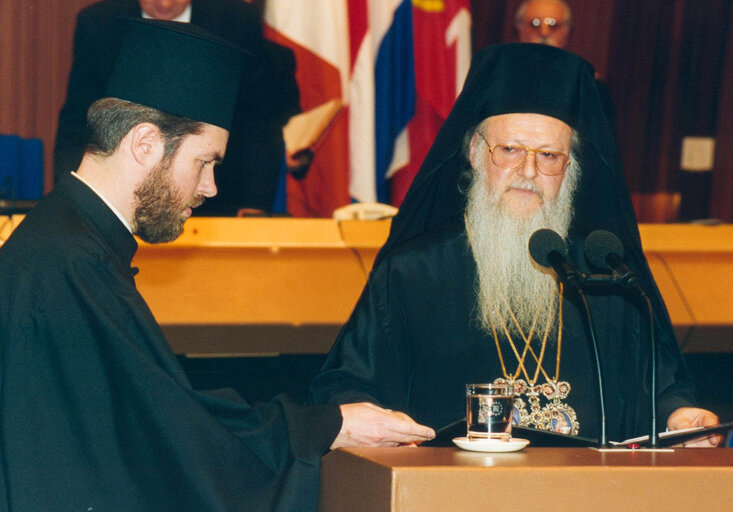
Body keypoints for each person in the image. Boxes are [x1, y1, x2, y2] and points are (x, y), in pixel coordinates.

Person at [0, 19, 433, 512]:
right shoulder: (70, 264)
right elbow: (170, 437)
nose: (210, 188)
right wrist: (331, 426)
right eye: (205, 162)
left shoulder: (68, 243)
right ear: (145, 144)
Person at [309, 43, 721, 447]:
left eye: (549, 156)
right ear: (474, 152)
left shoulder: (604, 273)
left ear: (570, 169)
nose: (528, 171)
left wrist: (679, 414)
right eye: (509, 150)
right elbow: (348, 388)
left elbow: (658, 384)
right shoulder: (413, 271)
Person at [54, 0, 299, 215]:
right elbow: (78, 121)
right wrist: (71, 200)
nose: (165, 4)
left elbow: (258, 120)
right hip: (125, 197)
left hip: (217, 197)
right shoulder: (99, 23)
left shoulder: (236, 20)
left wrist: (254, 204)